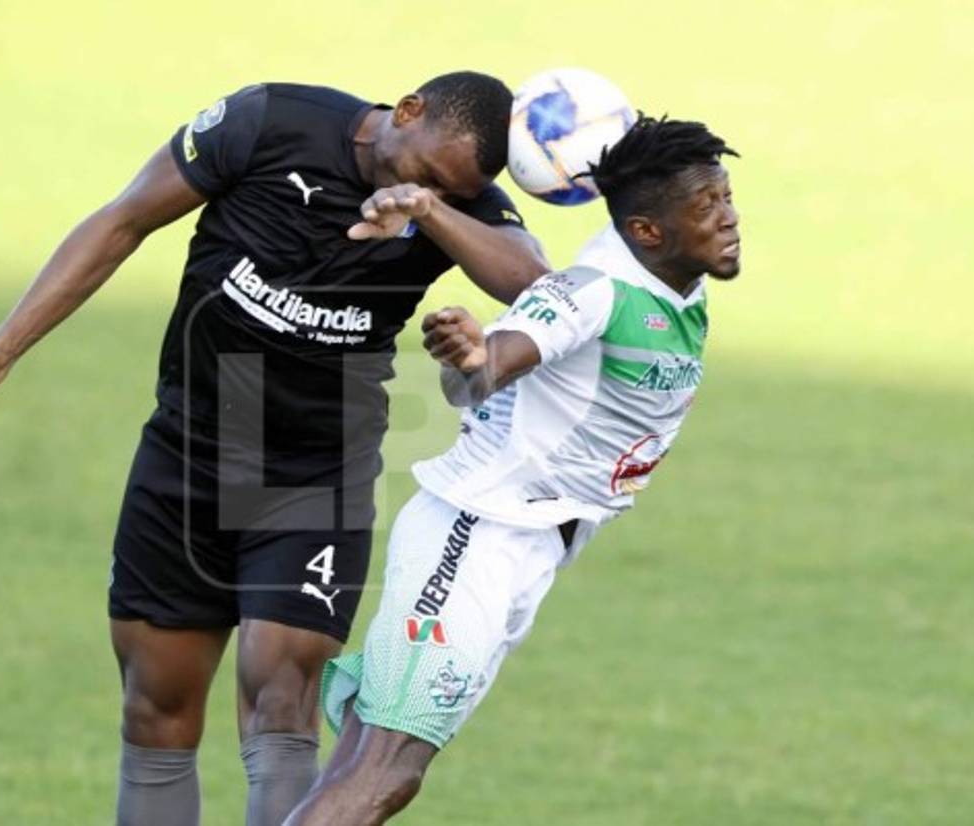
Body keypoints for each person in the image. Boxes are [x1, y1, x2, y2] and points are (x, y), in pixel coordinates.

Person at [0, 72, 548, 826]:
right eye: (418, 169)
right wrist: (3, 349)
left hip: (314, 468)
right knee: (155, 708)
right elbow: (123, 221)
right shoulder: (271, 122)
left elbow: (532, 280)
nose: (418, 187)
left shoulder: (450, 203)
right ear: (407, 111)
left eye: (446, 189)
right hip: (188, 448)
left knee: (281, 694)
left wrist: (427, 207)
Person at [283, 113, 742, 825]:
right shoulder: (596, 291)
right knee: (382, 774)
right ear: (649, 231)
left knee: (378, 769)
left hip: (530, 547)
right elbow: (496, 361)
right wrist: (474, 357)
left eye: (727, 197)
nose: (729, 219)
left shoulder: (679, 280)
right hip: (475, 538)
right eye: (707, 207)